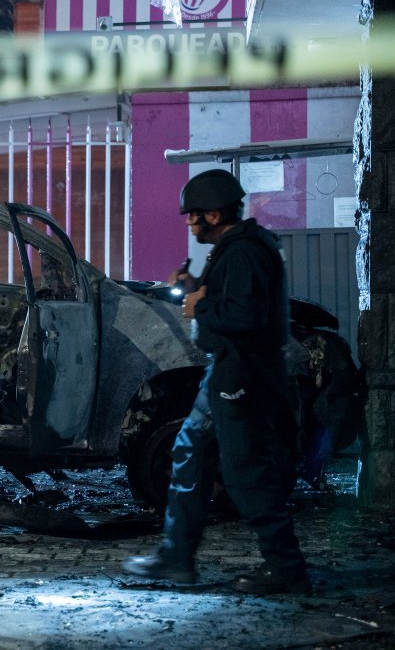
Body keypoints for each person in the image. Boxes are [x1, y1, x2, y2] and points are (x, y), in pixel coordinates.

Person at [123, 169, 309, 595]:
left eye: (193, 214)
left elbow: (246, 316)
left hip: (242, 374)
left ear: (214, 213)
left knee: (245, 471)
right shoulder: (238, 248)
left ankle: (286, 567)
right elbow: (234, 297)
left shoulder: (244, 252)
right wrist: (195, 287)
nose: (189, 222)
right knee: (189, 453)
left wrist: (198, 308)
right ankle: (176, 557)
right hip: (225, 371)